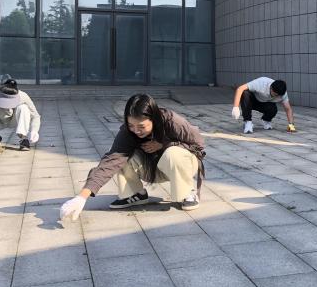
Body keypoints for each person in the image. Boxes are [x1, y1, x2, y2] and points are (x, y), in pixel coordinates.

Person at [59, 94, 206, 221]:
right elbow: (110, 161)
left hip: (180, 165)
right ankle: (136, 194)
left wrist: (164, 144)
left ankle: (187, 193)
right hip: (153, 167)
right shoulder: (128, 132)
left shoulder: (172, 121)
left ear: (154, 119)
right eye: (131, 125)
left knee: (172, 153)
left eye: (141, 126)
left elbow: (198, 145)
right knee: (120, 157)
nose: (136, 131)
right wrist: (82, 197)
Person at [230, 77, 296, 134]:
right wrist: (236, 107)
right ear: (271, 88)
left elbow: (288, 109)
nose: (276, 96)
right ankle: (248, 122)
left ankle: (266, 120)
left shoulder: (283, 94)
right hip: (251, 101)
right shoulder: (261, 82)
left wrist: (291, 124)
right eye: (275, 94)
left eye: (278, 95)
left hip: (264, 104)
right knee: (245, 93)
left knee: (273, 109)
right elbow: (240, 89)